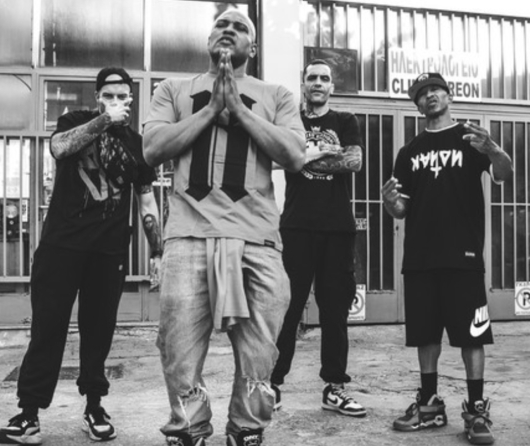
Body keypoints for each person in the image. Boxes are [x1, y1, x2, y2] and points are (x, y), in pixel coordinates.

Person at [143, 9, 305, 446]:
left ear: (253, 46)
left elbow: (294, 155)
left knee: (261, 346)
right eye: (221, 24)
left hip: (258, 238)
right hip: (189, 233)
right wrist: (212, 109)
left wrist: (238, 110)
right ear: (208, 40)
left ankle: (246, 427)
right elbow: (152, 149)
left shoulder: (276, 95)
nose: (229, 30)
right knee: (178, 344)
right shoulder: (173, 89)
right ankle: (190, 426)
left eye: (240, 27)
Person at [0, 67, 163, 444]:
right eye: (108, 95)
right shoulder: (76, 121)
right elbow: (59, 148)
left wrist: (157, 250)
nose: (116, 101)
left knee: (98, 331)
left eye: (122, 96)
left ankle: (94, 406)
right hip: (62, 246)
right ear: (98, 97)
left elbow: (147, 200)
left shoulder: (139, 145)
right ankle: (29, 414)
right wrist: (104, 121)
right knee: (48, 328)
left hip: (108, 251)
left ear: (132, 99)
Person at [382, 72, 513, 445]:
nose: (429, 96)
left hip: (463, 255)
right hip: (420, 257)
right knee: (425, 334)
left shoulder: (471, 138)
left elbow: (504, 173)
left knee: (473, 334)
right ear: (417, 105)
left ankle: (476, 409)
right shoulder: (409, 152)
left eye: (435, 90)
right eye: (422, 94)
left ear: (448, 95)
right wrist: (390, 203)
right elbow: (402, 208)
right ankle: (429, 404)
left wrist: (493, 149)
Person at [270, 59, 366, 417]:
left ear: (332, 87)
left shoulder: (345, 121)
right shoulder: (290, 121)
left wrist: (301, 158)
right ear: (304, 84)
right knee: (287, 309)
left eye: (325, 78)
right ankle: (271, 384)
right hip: (297, 227)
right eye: (312, 78)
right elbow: (273, 158)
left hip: (337, 228)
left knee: (335, 311)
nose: (318, 83)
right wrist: (321, 153)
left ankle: (334, 387)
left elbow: (353, 162)